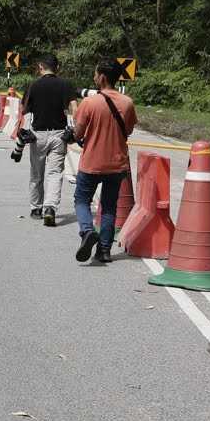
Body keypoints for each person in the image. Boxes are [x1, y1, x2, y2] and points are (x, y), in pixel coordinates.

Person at [72, 59, 138, 264]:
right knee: (109, 207)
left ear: (101, 77)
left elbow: (78, 132)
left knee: (82, 200)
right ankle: (104, 251)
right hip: (117, 163)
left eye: (95, 74)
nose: (93, 78)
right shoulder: (127, 103)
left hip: (92, 161)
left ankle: (87, 231)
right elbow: (128, 130)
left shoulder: (90, 103)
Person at [21, 54, 79, 226]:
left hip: (38, 135)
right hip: (59, 135)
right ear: (57, 68)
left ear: (40, 67)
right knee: (54, 174)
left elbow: (24, 110)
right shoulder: (65, 85)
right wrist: (75, 130)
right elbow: (74, 109)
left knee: (36, 174)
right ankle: (50, 208)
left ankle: (36, 208)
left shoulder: (33, 85)